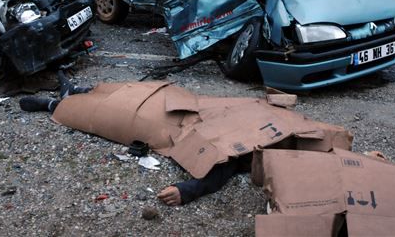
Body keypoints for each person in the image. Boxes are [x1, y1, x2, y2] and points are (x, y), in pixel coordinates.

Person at [19, 71, 247, 206]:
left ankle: (55, 105)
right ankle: (76, 91)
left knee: (116, 114)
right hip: (185, 106)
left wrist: (187, 190)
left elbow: (226, 163)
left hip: (173, 127)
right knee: (136, 93)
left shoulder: (252, 146)